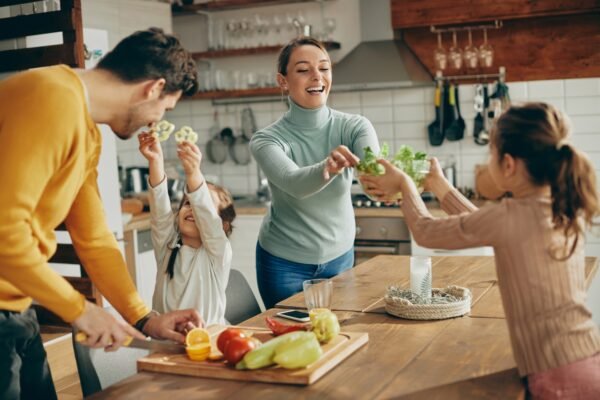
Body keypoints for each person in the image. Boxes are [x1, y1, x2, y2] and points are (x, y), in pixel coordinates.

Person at [0, 28, 203, 400]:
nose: (156, 121)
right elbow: (4, 231)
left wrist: (144, 318)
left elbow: (94, 240)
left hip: (15, 308)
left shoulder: (87, 132)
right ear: (153, 88)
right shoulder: (51, 98)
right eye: (165, 109)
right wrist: (79, 309)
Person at [360, 102, 600, 398]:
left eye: (492, 154)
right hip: (585, 358)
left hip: (556, 376)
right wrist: (439, 186)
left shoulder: (510, 216)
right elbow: (484, 223)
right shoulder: (562, 206)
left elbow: (425, 230)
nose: (489, 162)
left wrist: (405, 185)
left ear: (509, 164)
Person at [249, 37, 380, 309]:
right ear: (282, 81)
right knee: (290, 341)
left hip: (340, 258)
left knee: (337, 336)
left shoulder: (355, 127)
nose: (317, 76)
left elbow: (373, 171)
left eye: (324, 68)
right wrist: (327, 167)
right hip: (283, 263)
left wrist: (389, 182)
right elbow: (293, 182)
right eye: (303, 69)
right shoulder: (267, 139)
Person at [138, 131, 236, 325]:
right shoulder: (167, 247)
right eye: (186, 203)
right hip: (164, 344)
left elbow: (207, 218)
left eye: (198, 204)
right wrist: (155, 161)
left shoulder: (218, 255)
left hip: (209, 341)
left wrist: (193, 174)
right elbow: (159, 210)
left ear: (223, 225)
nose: (192, 207)